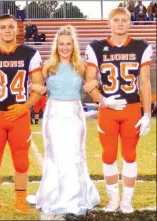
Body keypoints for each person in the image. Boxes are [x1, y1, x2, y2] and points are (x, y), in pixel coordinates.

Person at [0, 14, 44, 215]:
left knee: (21, 162)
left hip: (19, 116)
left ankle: (20, 201)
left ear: (17, 29)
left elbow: (39, 87)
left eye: (11, 27)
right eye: (2, 27)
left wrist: (26, 106)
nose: (7, 30)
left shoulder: (30, 54)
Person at [27, 25, 100, 220]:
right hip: (53, 114)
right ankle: (51, 197)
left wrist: (97, 88)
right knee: (54, 155)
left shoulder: (81, 66)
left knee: (75, 155)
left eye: (68, 44)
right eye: (61, 44)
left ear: (73, 45)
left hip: (75, 113)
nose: (65, 47)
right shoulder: (47, 66)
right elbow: (36, 87)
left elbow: (92, 86)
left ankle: (76, 198)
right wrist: (32, 85)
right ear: (56, 45)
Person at [84, 7, 153, 213]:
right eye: (116, 20)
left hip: (131, 109)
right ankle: (113, 199)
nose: (120, 23)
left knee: (130, 155)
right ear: (109, 23)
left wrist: (147, 113)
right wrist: (103, 100)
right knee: (109, 155)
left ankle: (127, 201)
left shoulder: (141, 47)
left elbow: (145, 82)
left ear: (130, 23)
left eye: (124, 20)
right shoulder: (96, 47)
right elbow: (89, 83)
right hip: (108, 111)